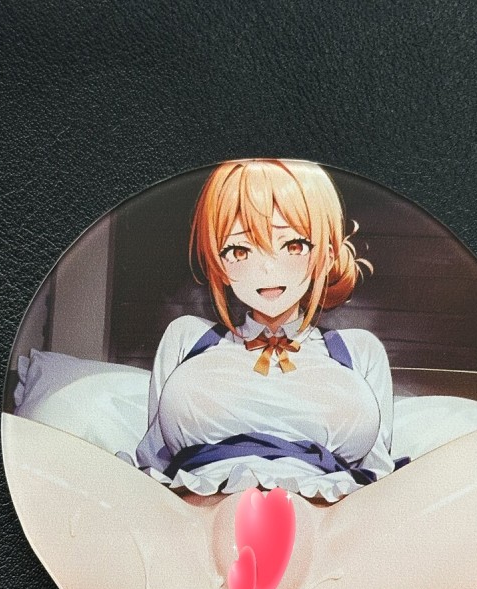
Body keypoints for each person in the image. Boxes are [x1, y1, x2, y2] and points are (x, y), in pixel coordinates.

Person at [134, 158, 396, 503]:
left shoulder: (359, 351)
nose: (267, 268)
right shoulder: (186, 338)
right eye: (240, 250)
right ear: (217, 260)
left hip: (324, 516)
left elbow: (378, 475)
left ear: (327, 253)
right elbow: (152, 463)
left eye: (293, 246)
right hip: (195, 511)